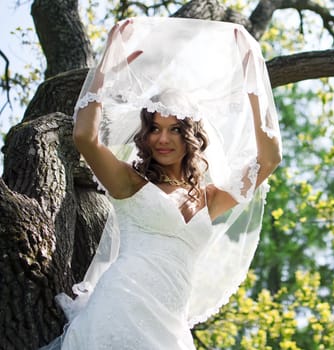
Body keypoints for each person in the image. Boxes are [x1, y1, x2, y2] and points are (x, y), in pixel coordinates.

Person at [42, 17, 281, 349]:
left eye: (174, 129)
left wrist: (252, 78)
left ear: (191, 136)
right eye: (154, 128)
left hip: (171, 325)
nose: (163, 138)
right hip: (121, 305)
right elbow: (85, 136)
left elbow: (269, 159)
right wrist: (107, 65)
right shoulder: (129, 182)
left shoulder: (209, 198)